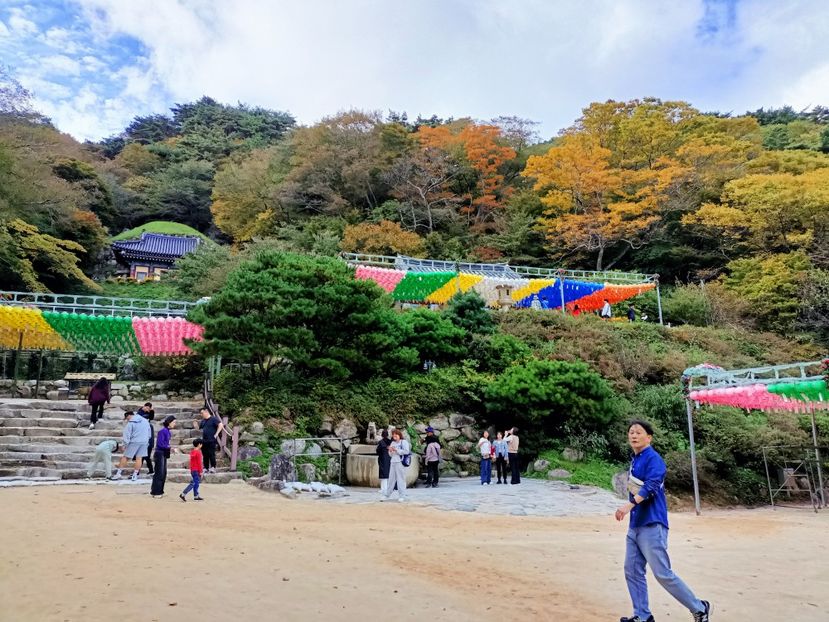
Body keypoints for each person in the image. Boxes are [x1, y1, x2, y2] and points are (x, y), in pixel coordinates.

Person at [616, 420, 711, 622]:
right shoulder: (635, 459)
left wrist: (629, 505)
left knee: (662, 573)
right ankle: (642, 616)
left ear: (649, 437)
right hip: (635, 525)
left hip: (652, 524)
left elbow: (651, 487)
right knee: (632, 570)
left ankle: (699, 608)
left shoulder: (654, 459)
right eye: (630, 432)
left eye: (638, 432)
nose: (633, 435)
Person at [112, 411, 151, 481]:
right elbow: (149, 432)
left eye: (127, 418)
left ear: (129, 416)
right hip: (144, 441)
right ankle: (135, 475)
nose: (127, 420)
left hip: (134, 441)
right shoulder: (145, 421)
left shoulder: (131, 423)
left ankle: (118, 473)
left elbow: (127, 434)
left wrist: (124, 444)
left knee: (125, 457)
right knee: (139, 458)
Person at [150, 415, 176, 498]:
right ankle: (155, 492)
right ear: (169, 422)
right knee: (159, 473)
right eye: (174, 422)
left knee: (163, 473)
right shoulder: (163, 431)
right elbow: (160, 444)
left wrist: (169, 448)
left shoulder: (168, 431)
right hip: (159, 453)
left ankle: (160, 491)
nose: (175, 424)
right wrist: (170, 447)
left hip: (164, 453)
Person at [383, 429, 410, 502]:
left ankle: (402, 495)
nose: (394, 436)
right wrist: (391, 451)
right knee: (391, 479)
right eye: (393, 434)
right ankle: (387, 495)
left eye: (396, 434)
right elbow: (390, 454)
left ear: (399, 435)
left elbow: (406, 451)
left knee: (401, 479)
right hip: (393, 462)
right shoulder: (392, 443)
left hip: (400, 462)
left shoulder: (403, 442)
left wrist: (396, 450)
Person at [197, 407, 225, 474]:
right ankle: (206, 468)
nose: (201, 414)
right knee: (205, 455)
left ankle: (213, 467)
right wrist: (195, 425)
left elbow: (221, 425)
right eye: (200, 413)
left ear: (206, 411)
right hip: (204, 440)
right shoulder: (203, 421)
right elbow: (199, 429)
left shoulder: (213, 419)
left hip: (211, 439)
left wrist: (216, 433)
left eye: (202, 413)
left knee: (211, 454)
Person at [138, 403, 155, 475]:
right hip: (144, 442)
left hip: (148, 443)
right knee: (144, 457)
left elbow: (151, 418)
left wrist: (152, 411)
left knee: (145, 457)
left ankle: (138, 471)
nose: (147, 409)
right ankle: (150, 470)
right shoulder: (140, 412)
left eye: (149, 408)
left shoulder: (149, 426)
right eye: (146, 408)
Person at [376, 429, 392, 495]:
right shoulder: (390, 442)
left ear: (382, 435)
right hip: (389, 459)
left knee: (383, 475)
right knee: (388, 473)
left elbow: (377, 451)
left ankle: (383, 489)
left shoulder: (381, 442)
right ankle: (389, 488)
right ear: (388, 435)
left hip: (382, 459)